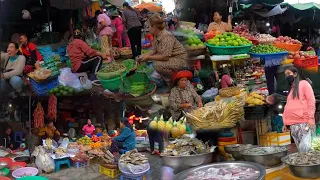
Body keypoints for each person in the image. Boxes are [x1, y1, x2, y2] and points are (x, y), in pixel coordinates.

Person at [138, 13, 188, 86]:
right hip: (171, 58)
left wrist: (149, 57)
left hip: (180, 59)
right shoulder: (156, 35)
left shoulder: (166, 36)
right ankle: (165, 79)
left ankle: (172, 82)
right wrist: (143, 56)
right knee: (154, 63)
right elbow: (153, 50)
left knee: (158, 65)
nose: (147, 29)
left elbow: (165, 57)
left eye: (148, 27)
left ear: (154, 27)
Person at [282, 67, 315, 152]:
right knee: (301, 151)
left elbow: (311, 101)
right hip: (293, 125)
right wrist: (285, 123)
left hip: (303, 124)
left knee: (306, 150)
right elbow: (287, 107)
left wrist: (311, 119)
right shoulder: (292, 89)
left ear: (295, 74)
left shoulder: (304, 84)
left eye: (289, 73)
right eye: (285, 75)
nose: (287, 76)